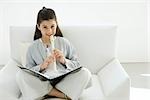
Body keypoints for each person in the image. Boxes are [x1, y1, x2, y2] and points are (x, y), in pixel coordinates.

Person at [16, 7, 91, 100]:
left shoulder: (64, 42)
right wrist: (42, 66)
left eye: (52, 26)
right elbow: (28, 70)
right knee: (20, 75)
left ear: (56, 24)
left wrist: (64, 61)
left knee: (86, 73)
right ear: (38, 27)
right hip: (42, 81)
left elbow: (77, 65)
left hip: (63, 81)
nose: (49, 31)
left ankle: (45, 92)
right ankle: (56, 93)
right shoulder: (32, 48)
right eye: (45, 27)